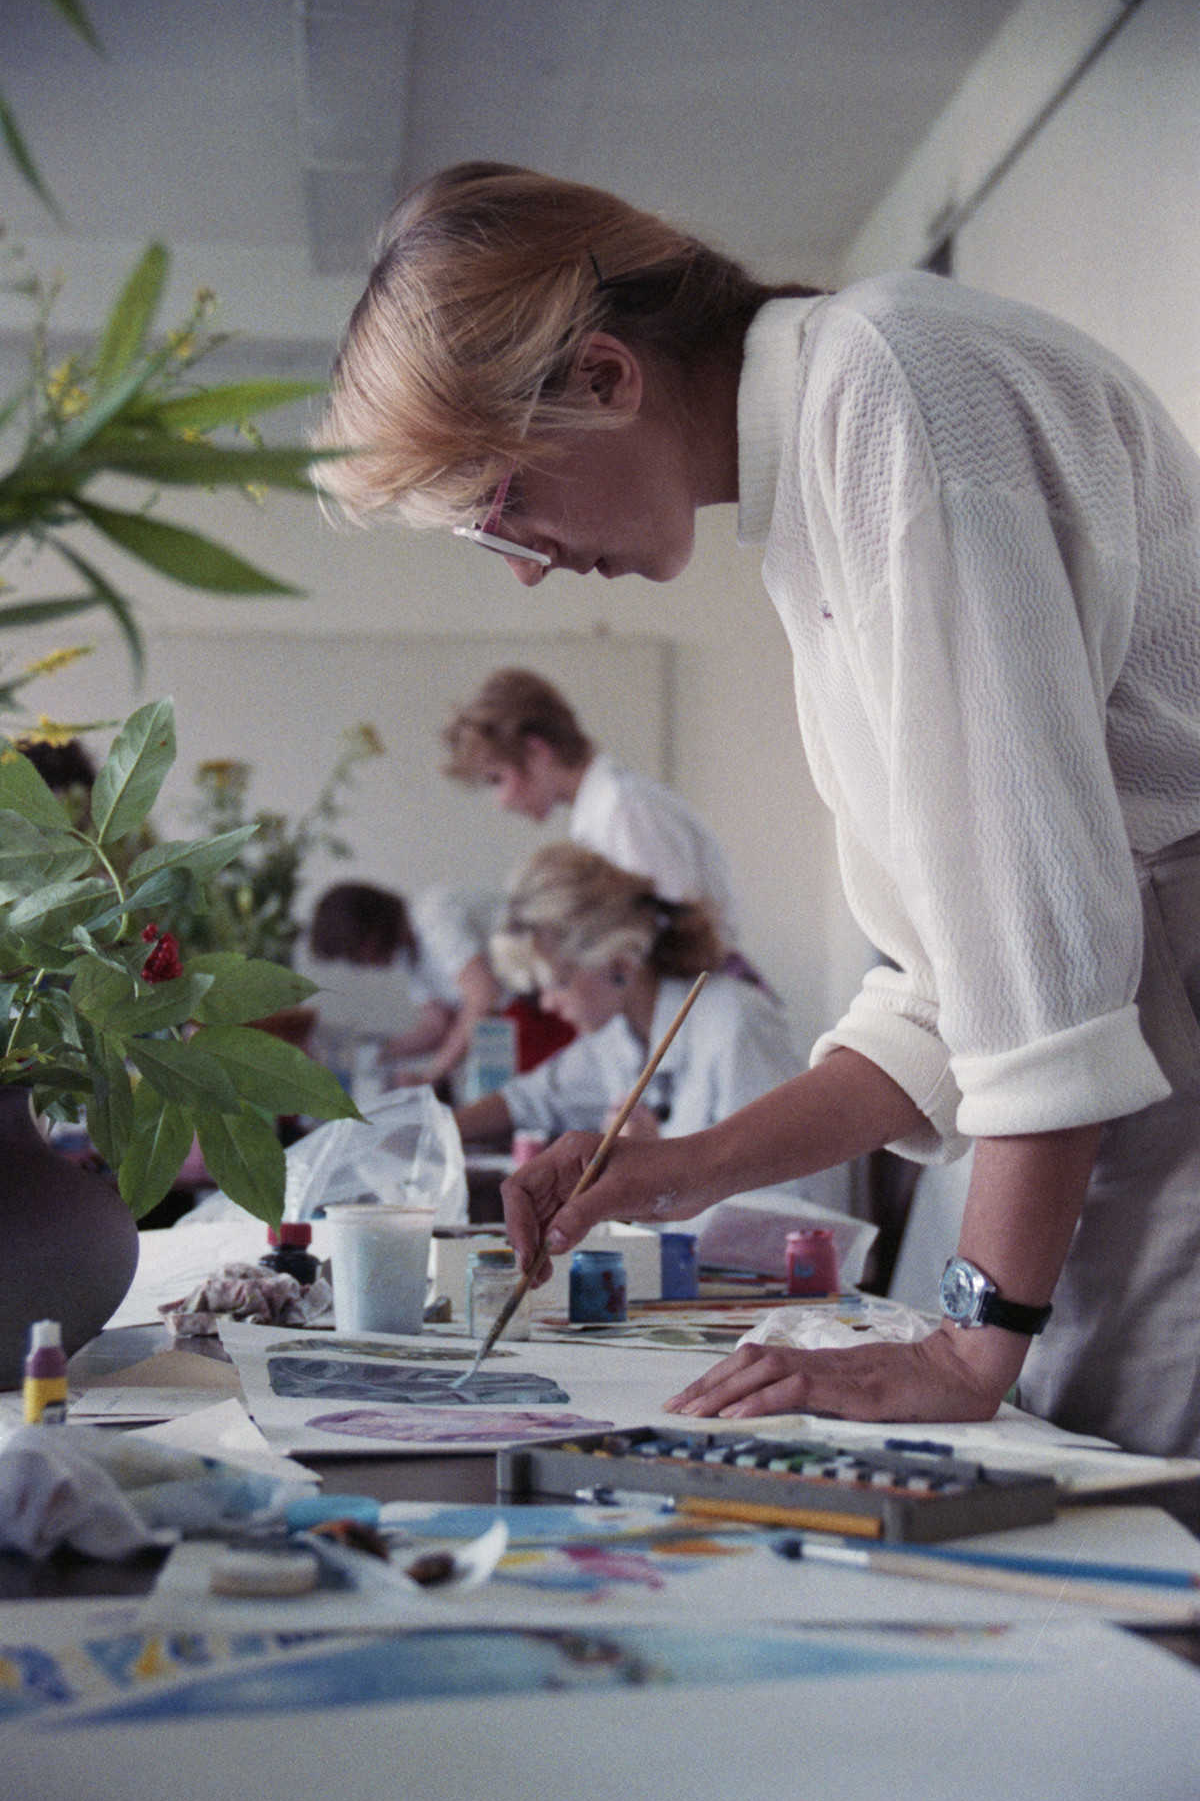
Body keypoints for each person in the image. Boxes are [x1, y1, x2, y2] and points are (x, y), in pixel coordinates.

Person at [315, 162, 1200, 1457]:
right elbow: (949, 988)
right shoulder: (821, 486)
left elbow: (1040, 970)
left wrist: (970, 1337)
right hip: (1144, 997)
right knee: (1075, 1466)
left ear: (608, 377)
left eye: (500, 508)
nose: (526, 571)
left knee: (1130, 1506)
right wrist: (678, 1168)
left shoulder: (893, 393)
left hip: (1167, 987)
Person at [454, 845, 810, 1220]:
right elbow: (531, 1098)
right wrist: (433, 1132)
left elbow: (777, 1206)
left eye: (558, 982)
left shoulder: (736, 1024)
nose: (547, 1004)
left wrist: (662, 1171)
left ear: (620, 963)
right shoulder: (616, 1037)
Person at [442, 666, 743, 953]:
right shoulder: (601, 811)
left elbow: (678, 935)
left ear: (535, 751)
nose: (500, 803)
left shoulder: (624, 809)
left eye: (497, 779)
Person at [300, 880, 505, 1090]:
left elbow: (483, 998)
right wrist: (374, 1055)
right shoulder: (409, 953)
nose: (362, 965)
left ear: (369, 932)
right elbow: (437, 1023)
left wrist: (430, 1075)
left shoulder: (433, 916)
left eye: (356, 956)